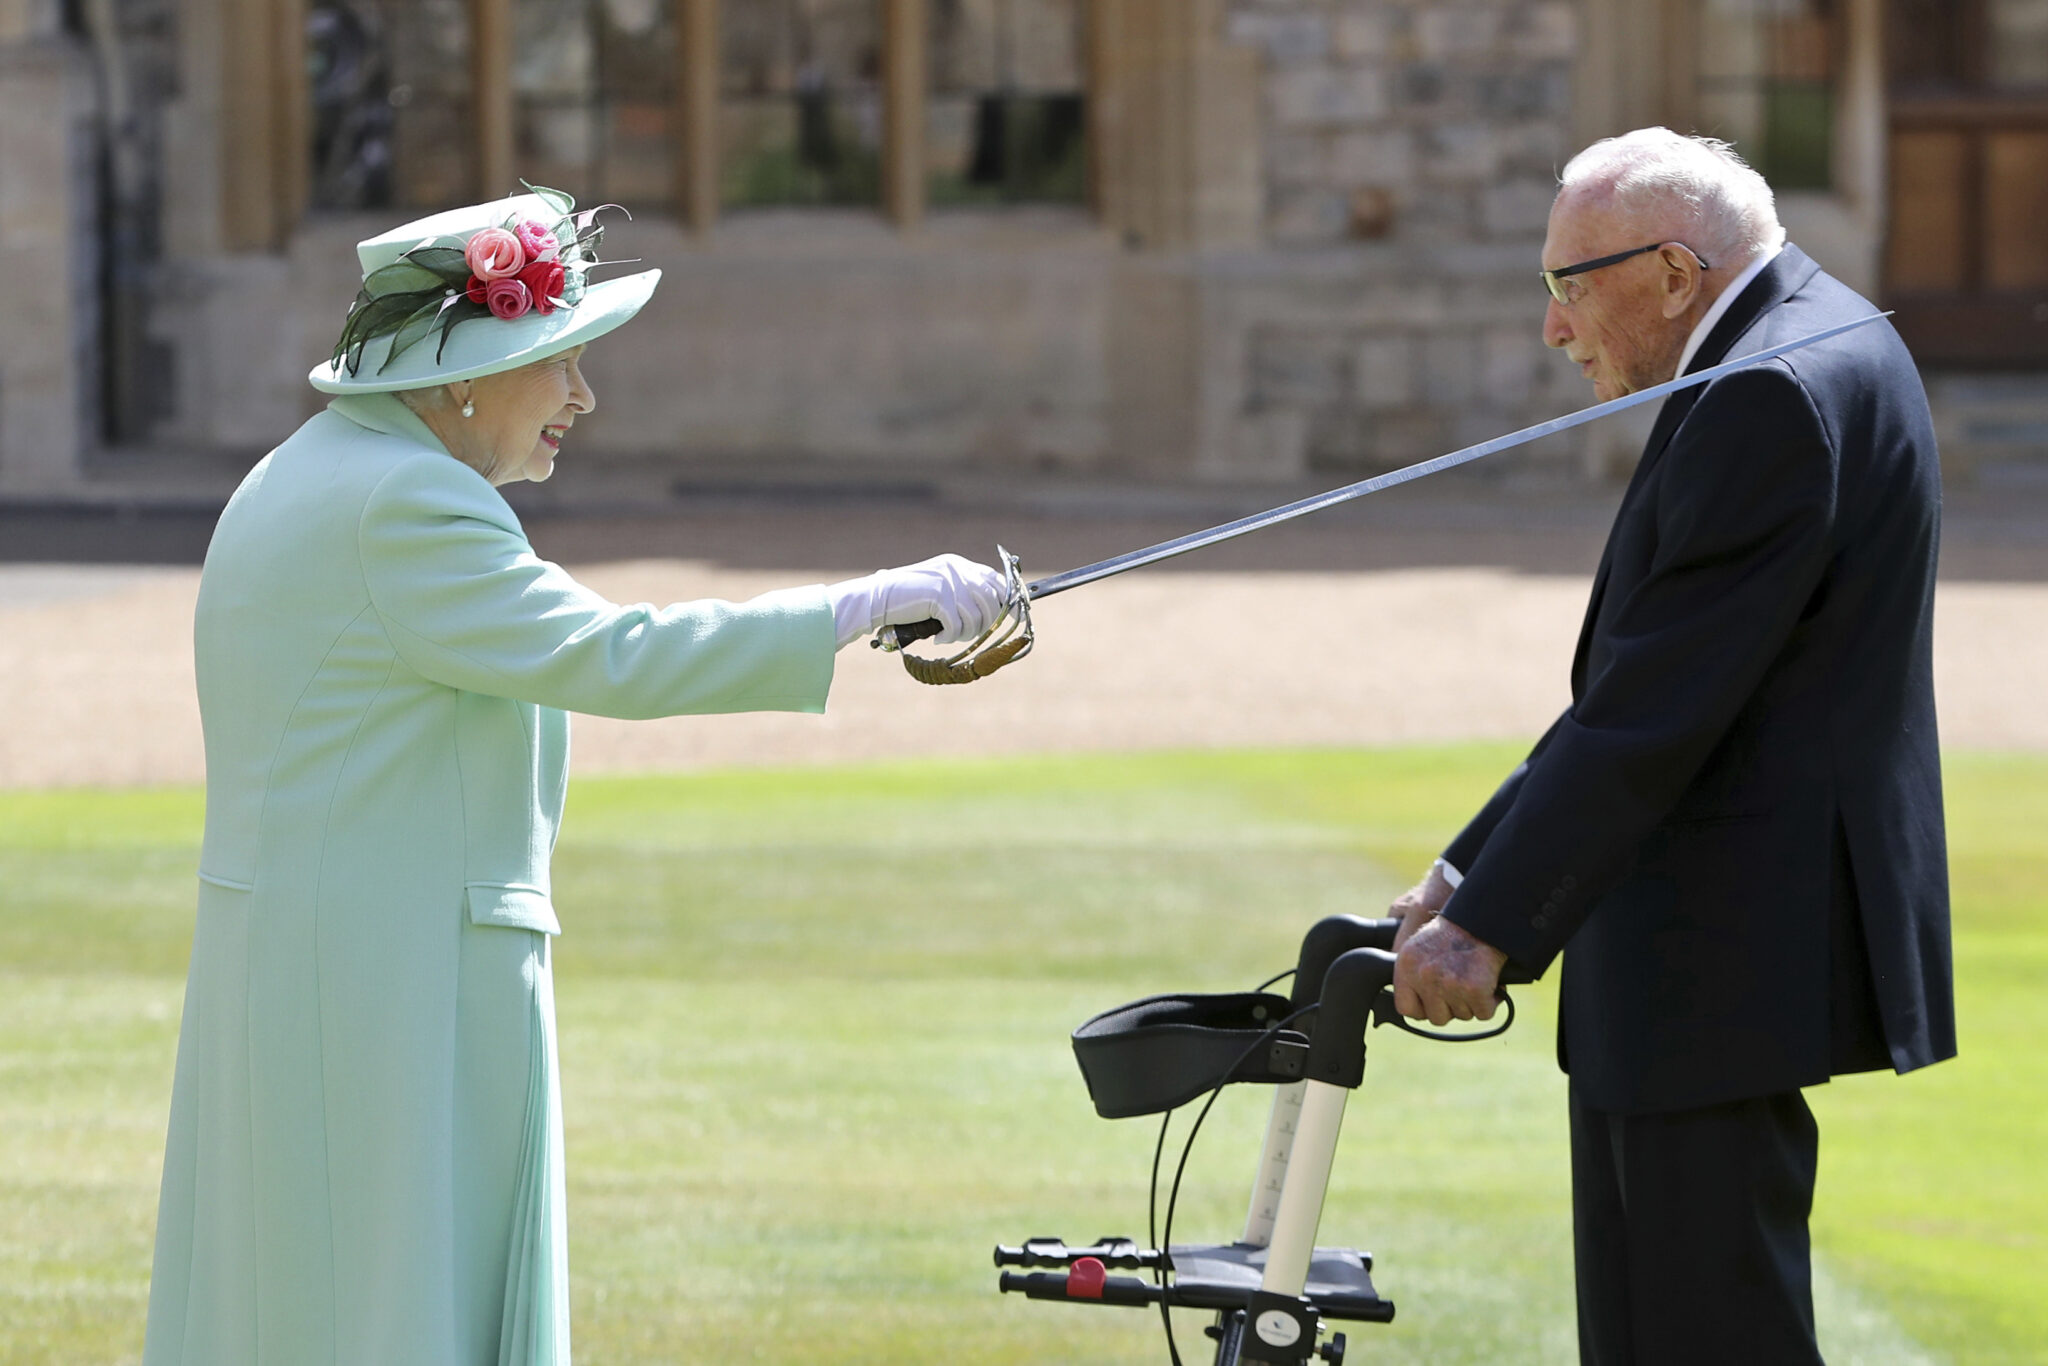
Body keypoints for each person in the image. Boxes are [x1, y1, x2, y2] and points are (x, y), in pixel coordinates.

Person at [141, 191, 1009, 1366]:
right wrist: (858, 606)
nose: (581, 397)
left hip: (327, 963)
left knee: (308, 1296)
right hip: (384, 982)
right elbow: (616, 654)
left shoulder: (309, 469)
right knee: (387, 1305)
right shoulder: (407, 500)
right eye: (557, 361)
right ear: (463, 375)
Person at [1387, 130, 1955, 1364]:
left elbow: (1657, 708)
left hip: (1718, 945)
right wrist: (1462, 868)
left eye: (1566, 286)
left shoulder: (1767, 386)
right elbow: (1647, 680)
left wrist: (1484, 925)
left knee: (1703, 1329)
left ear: (1674, 273)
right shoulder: (1814, 333)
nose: (1553, 329)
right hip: (1714, 939)